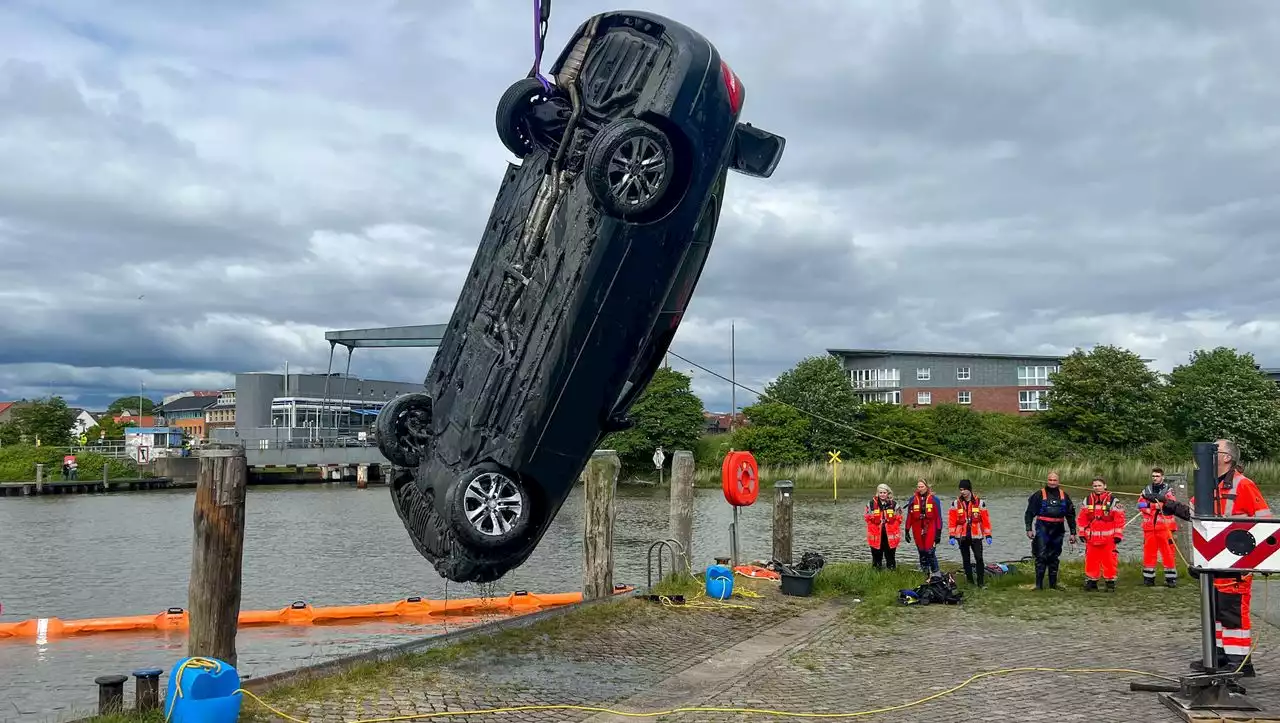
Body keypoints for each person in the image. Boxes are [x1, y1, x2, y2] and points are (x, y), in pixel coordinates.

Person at [1160, 439, 1272, 676]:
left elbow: (1265, 522)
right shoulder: (1209, 486)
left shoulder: (1244, 485)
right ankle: (1220, 658)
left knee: (1233, 615)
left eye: (1215, 450)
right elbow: (1195, 515)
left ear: (1227, 458)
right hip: (1213, 562)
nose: (1209, 454)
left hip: (1236, 564)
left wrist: (1251, 558)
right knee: (1217, 613)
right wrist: (1167, 504)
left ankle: (1239, 664)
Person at [1024, 471, 1077, 590]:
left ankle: (1053, 585)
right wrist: (1029, 529)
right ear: (1047, 481)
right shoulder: (1038, 495)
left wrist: (1073, 532)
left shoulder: (1064, 496)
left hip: (1058, 529)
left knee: (1054, 557)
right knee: (1041, 556)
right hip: (1043, 528)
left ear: (1058, 481)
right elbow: (1029, 513)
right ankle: (1039, 585)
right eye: (1050, 480)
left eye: (1055, 480)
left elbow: (1071, 515)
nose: (1052, 482)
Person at [1077, 476, 1125, 592]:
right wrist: (1082, 533)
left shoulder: (1113, 501)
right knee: (1091, 561)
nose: (1097, 488)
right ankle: (1091, 582)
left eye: (1099, 485)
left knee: (1109, 561)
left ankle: (1110, 583)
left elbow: (1119, 519)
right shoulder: (1087, 500)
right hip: (1091, 538)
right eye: (1095, 486)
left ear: (1105, 486)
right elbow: (1081, 518)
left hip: (1108, 538)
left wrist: (1118, 535)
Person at [1137, 467, 1178, 587]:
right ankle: (1148, 579)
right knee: (1149, 553)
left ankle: (1171, 579)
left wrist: (1151, 506)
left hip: (1165, 527)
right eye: (1153, 476)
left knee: (1168, 553)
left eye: (1157, 476)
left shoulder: (1168, 491)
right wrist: (1153, 506)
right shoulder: (1146, 490)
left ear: (1162, 477)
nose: (1155, 478)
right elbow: (1140, 504)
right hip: (1149, 527)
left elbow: (1170, 505)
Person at [948, 479, 992, 586]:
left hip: (976, 536)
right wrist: (951, 536)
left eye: (964, 489)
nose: (962, 492)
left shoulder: (979, 503)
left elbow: (986, 520)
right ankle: (970, 582)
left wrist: (988, 535)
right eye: (960, 490)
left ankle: (981, 583)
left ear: (969, 490)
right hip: (961, 536)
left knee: (979, 558)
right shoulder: (955, 503)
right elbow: (952, 521)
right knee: (966, 560)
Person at [905, 478, 943, 574]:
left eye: (922, 487)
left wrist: (938, 533)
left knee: (930, 552)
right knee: (921, 552)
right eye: (918, 487)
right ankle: (925, 573)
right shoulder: (913, 500)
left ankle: (936, 574)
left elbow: (938, 517)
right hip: (917, 528)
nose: (920, 489)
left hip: (930, 527)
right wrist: (906, 530)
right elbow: (909, 516)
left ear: (927, 487)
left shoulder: (934, 499)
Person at [864, 484, 902, 570]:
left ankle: (891, 571)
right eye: (880, 492)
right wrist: (875, 519)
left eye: (884, 492)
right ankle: (876, 572)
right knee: (876, 555)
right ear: (877, 493)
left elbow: (899, 518)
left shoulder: (894, 504)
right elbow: (866, 517)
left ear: (888, 493)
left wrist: (891, 523)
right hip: (876, 534)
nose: (882, 494)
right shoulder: (871, 504)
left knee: (890, 555)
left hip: (890, 535)